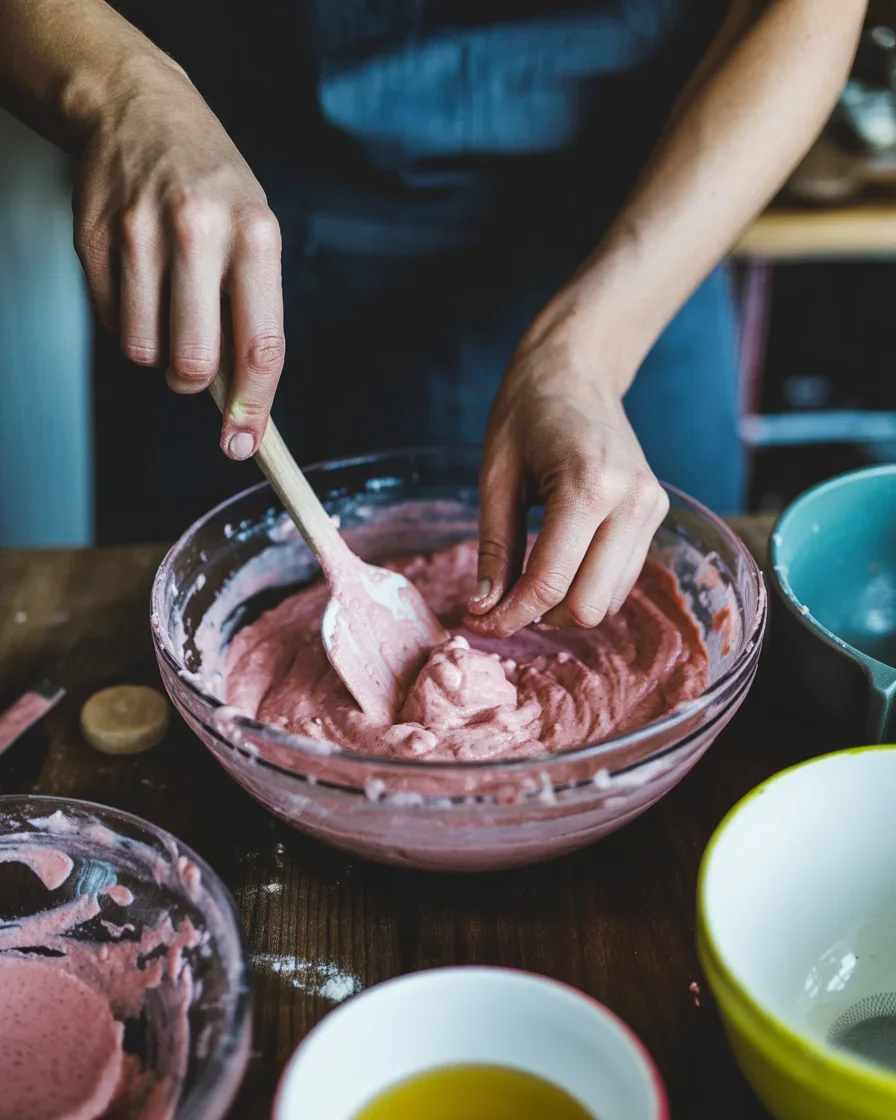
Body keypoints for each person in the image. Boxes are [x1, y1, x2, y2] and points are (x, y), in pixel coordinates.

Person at [0, 0, 867, 635]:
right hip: (238, 244)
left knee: (669, 625)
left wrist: (591, 355)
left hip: (641, 246)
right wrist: (122, 84)